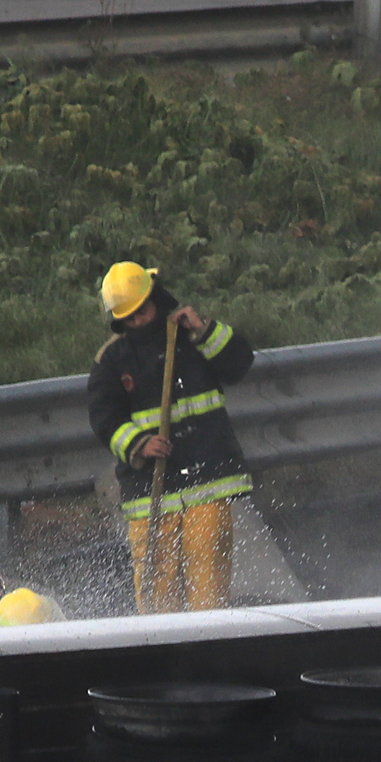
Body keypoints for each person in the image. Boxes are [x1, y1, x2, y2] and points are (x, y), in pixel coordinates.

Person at [85, 263, 257, 614]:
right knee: (155, 596)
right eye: (128, 318)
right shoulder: (112, 361)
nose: (138, 323)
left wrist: (204, 329)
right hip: (150, 492)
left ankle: (208, 653)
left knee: (207, 589)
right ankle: (163, 660)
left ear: (156, 298)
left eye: (143, 313)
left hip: (206, 482)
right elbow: (104, 418)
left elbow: (239, 363)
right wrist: (138, 444)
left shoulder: (192, 338)